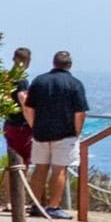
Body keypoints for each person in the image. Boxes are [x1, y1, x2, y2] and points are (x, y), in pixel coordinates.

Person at [25, 49, 90, 211]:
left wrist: (34, 125)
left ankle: (36, 204)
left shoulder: (39, 81)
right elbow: (80, 112)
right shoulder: (75, 84)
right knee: (59, 169)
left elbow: (29, 108)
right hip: (65, 133)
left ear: (54, 63)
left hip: (40, 132)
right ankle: (53, 207)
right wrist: (77, 132)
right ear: (70, 65)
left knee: (40, 168)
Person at [0, 45, 35, 195]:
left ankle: (10, 200)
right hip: (21, 126)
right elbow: (23, 100)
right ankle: (18, 199)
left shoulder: (7, 77)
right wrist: (33, 123)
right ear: (28, 61)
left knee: (13, 163)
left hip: (9, 123)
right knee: (23, 164)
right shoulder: (21, 80)